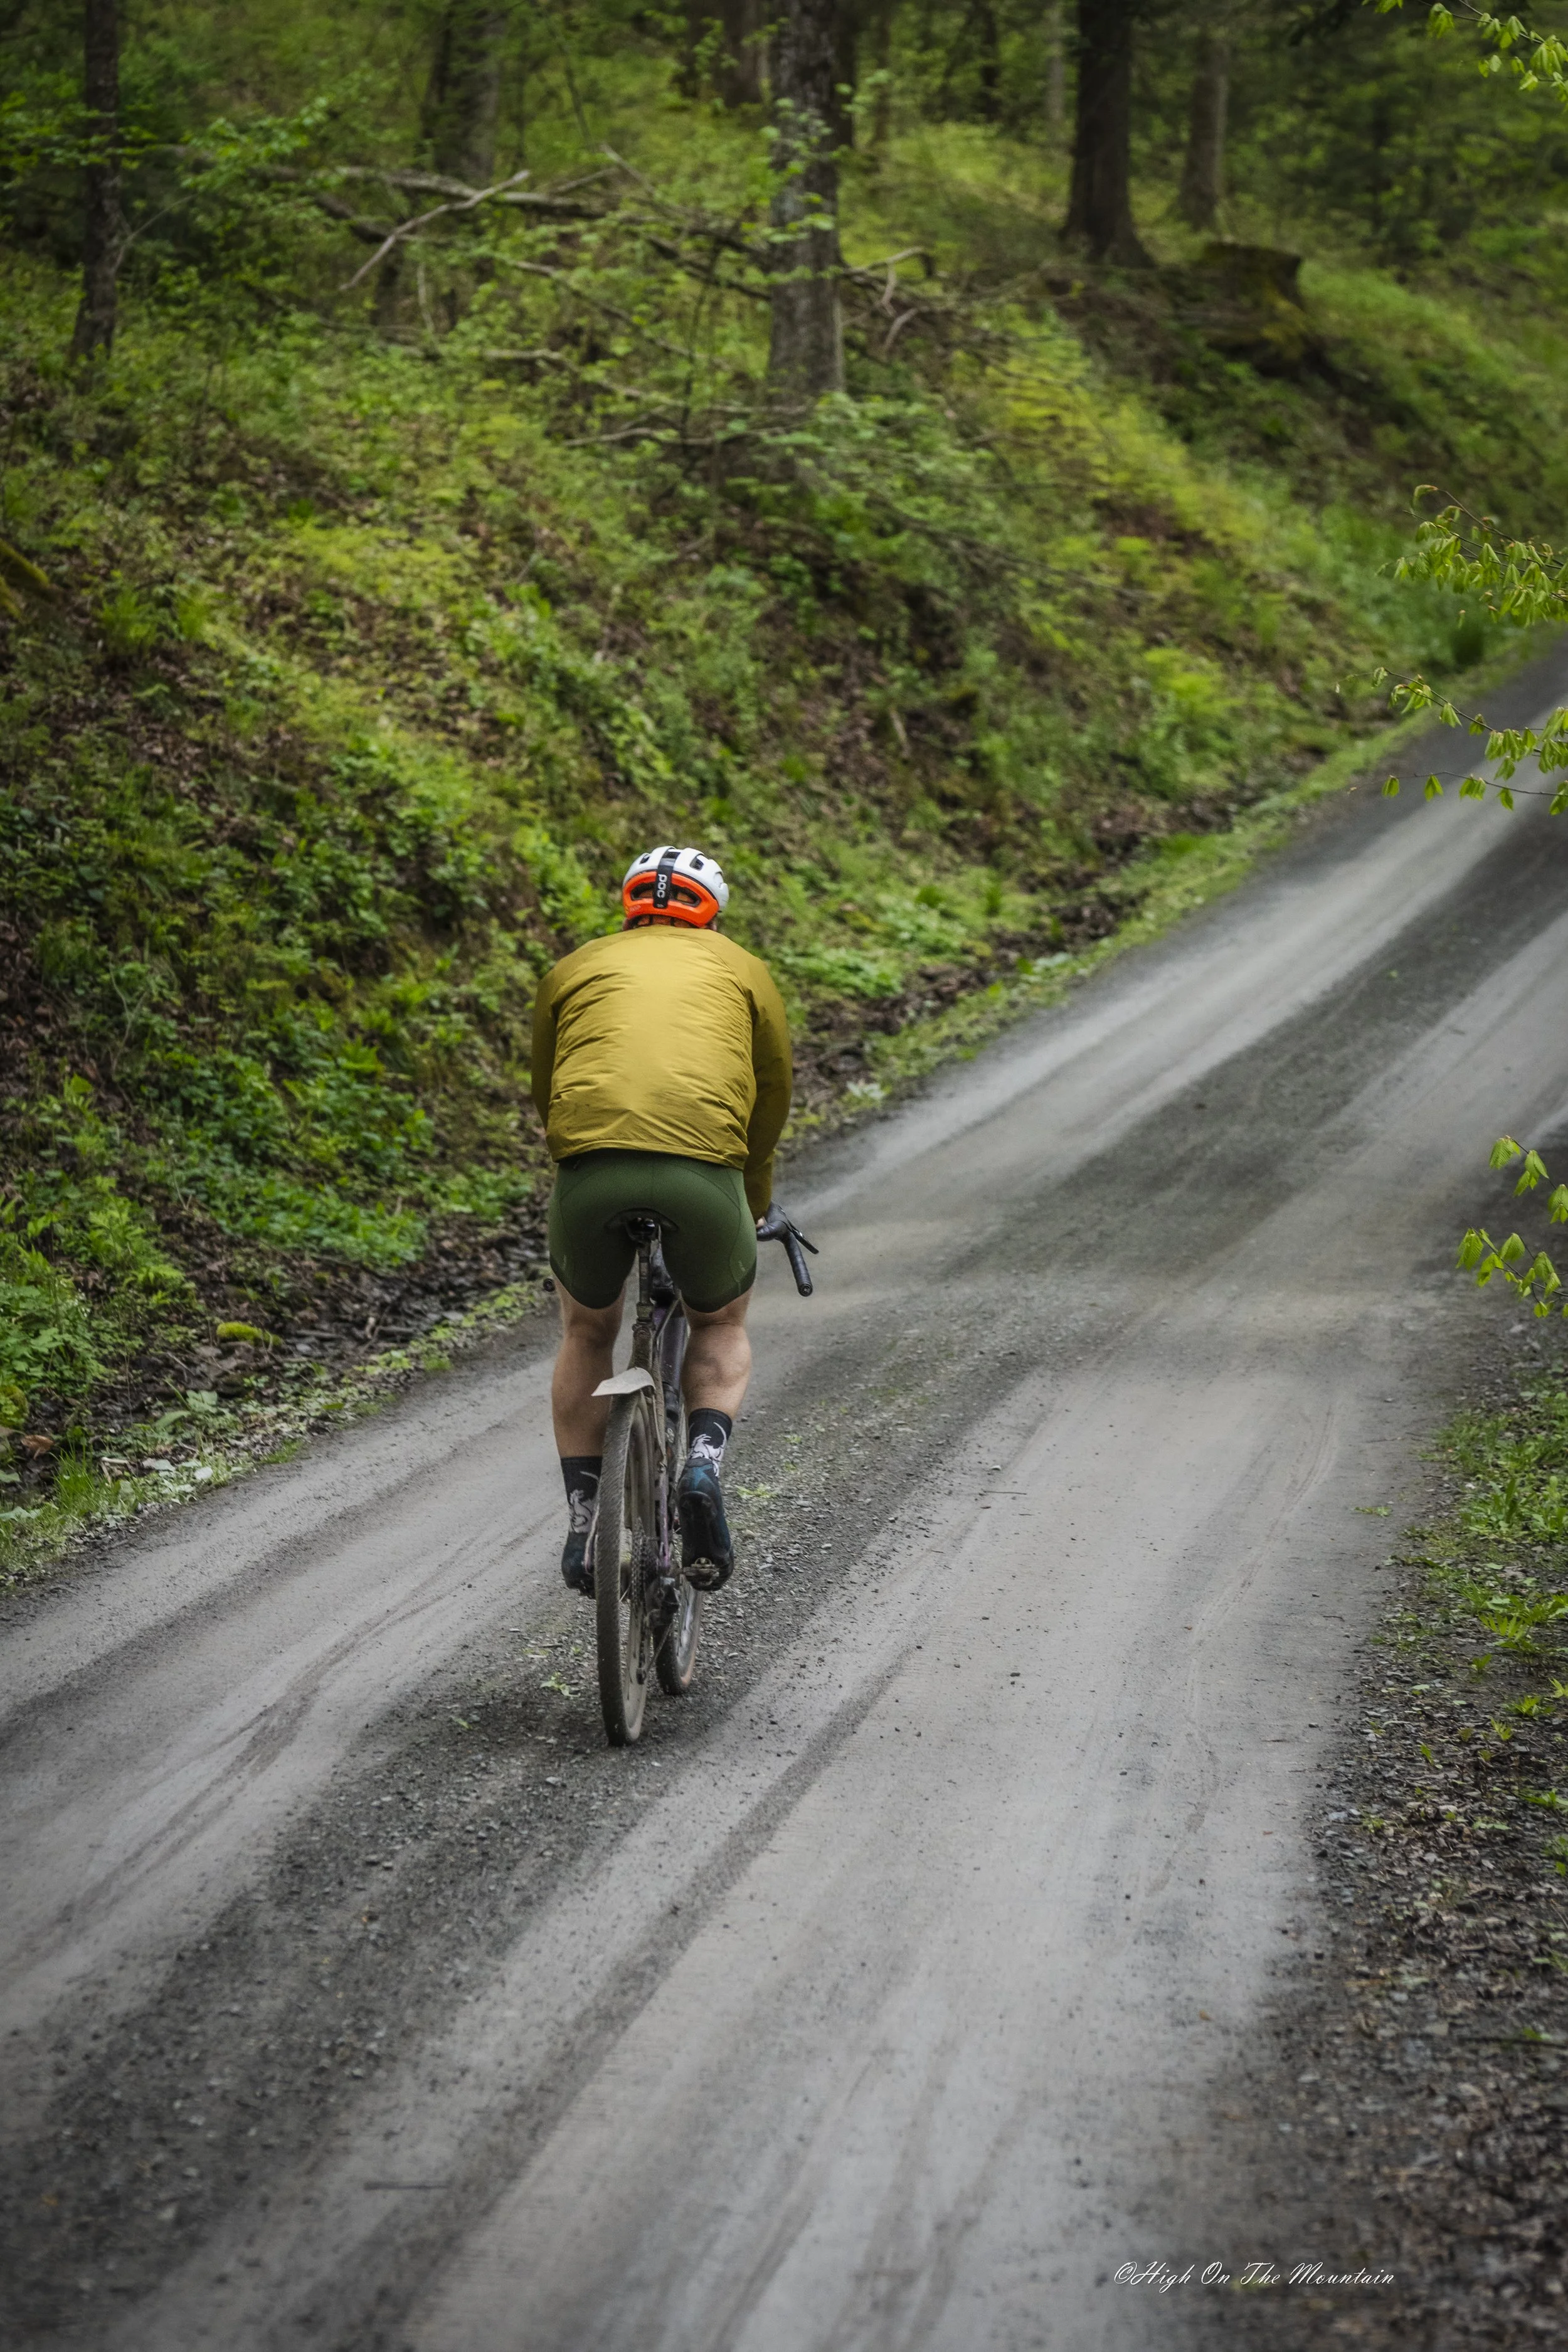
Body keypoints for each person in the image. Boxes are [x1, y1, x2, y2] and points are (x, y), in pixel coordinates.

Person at [530, 844, 792, 1596]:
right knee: (718, 1322)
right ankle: (702, 1467)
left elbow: (549, 1088)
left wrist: (584, 1157)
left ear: (628, 905)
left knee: (586, 1330)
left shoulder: (576, 965)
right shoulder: (743, 970)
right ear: (712, 912)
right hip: (703, 1171)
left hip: (590, 1169)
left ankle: (586, 1521)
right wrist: (754, 1201)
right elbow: (768, 1100)